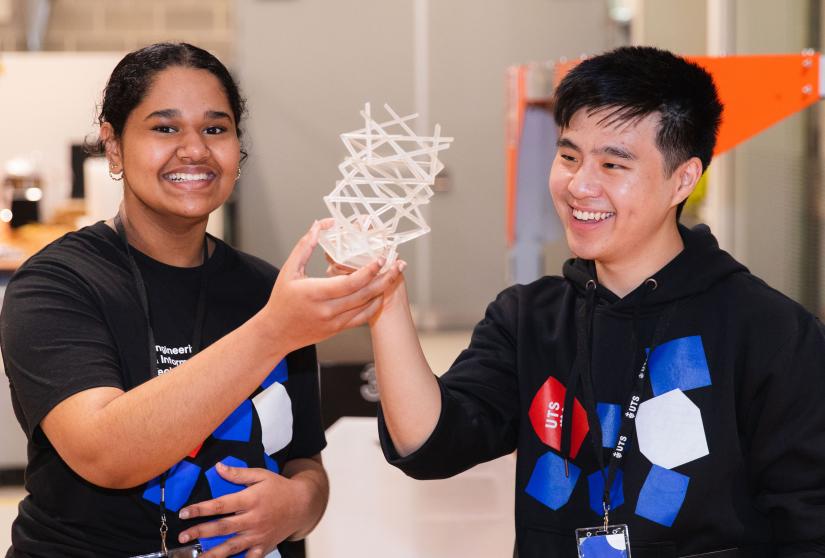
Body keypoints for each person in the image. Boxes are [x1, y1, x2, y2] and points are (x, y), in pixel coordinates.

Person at [356, 46, 825, 556]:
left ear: (683, 179)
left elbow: (807, 524)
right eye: (569, 156)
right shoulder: (529, 319)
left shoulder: (771, 331)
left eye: (612, 163)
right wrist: (386, 300)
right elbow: (430, 446)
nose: (580, 185)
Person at [1, 43, 399, 558]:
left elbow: (305, 462)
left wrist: (299, 505)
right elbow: (105, 453)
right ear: (114, 146)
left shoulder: (265, 289)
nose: (194, 149)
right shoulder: (57, 284)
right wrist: (274, 330)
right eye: (164, 128)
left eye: (216, 129)